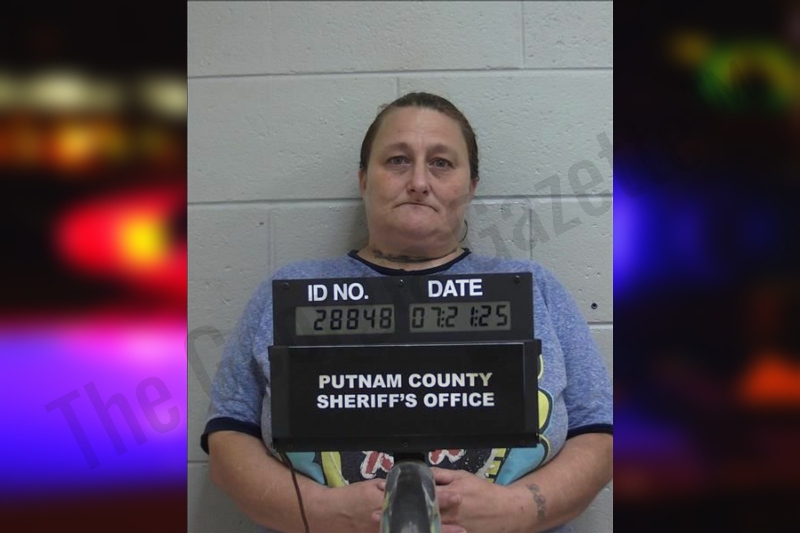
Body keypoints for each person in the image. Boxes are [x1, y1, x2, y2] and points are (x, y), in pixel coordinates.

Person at [201, 92, 613, 533]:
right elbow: (229, 441)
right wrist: (322, 512)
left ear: (471, 185)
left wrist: (518, 508)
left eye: (441, 163)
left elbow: (600, 436)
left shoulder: (536, 288)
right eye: (397, 160)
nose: (418, 181)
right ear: (364, 179)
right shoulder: (287, 292)